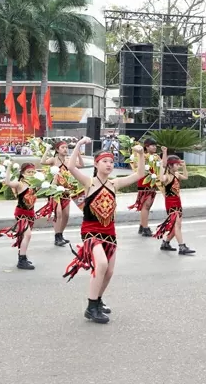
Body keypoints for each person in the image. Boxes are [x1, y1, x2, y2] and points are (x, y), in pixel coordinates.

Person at [63, 137, 145, 324]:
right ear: (97, 164)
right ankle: (91, 308)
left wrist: (140, 155)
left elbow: (139, 174)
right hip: (91, 230)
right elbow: (71, 167)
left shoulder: (114, 184)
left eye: (111, 161)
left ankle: (98, 300)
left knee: (109, 272)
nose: (109, 164)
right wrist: (78, 145)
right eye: (105, 161)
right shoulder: (89, 182)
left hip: (109, 232)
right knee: (101, 264)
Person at [0, 163, 38, 270]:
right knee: (28, 235)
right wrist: (8, 167)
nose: (31, 174)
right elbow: (7, 182)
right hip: (21, 213)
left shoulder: (35, 184)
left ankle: (22, 257)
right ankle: (22, 260)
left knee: (23, 236)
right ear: (22, 173)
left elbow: (50, 185)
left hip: (31, 214)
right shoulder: (19, 184)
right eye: (28, 172)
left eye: (33, 172)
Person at [41, 140, 84, 246]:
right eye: (63, 147)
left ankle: (60, 234)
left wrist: (78, 154)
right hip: (54, 191)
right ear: (57, 150)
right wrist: (47, 149)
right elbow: (42, 162)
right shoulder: (54, 160)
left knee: (66, 215)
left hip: (66, 190)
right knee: (58, 213)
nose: (65, 149)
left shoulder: (69, 160)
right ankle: (57, 237)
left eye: (66, 147)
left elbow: (81, 165)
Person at [153, 148, 195, 255]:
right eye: (176, 164)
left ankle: (165, 243)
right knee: (177, 225)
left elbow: (185, 177)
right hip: (170, 202)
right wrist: (164, 157)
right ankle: (182, 247)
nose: (178, 166)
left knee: (176, 225)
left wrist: (184, 167)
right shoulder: (167, 177)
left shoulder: (176, 175)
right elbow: (161, 179)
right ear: (170, 166)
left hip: (178, 201)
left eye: (178, 164)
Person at [127, 138, 160, 236]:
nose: (154, 147)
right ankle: (145, 228)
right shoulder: (142, 156)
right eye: (152, 145)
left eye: (155, 145)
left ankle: (142, 225)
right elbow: (136, 165)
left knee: (147, 206)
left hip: (152, 182)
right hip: (144, 182)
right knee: (146, 205)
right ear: (146, 146)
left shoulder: (156, 156)